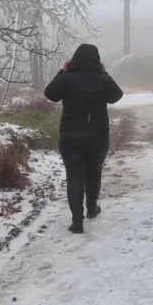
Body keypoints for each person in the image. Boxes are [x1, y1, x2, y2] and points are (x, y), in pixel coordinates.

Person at [43, 44, 123, 234]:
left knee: (74, 176)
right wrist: (103, 73)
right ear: (97, 60)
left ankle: (77, 221)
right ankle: (92, 208)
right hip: (98, 135)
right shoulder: (103, 79)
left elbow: (50, 94)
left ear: (74, 60)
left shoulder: (67, 79)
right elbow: (116, 96)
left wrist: (62, 71)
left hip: (70, 136)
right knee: (94, 172)